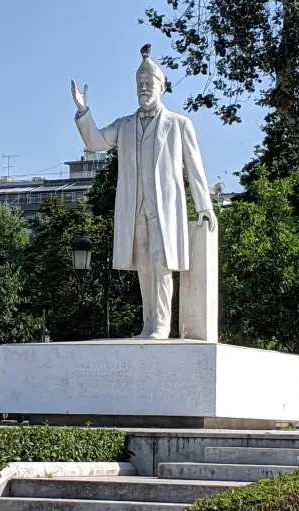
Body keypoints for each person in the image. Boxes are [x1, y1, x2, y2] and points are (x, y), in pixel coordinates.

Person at [71, 44, 216, 339]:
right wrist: (83, 110)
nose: (144, 88)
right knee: (145, 267)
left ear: (161, 87)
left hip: (165, 208)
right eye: (140, 84)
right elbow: (95, 142)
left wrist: (204, 205)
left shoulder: (179, 125)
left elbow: (195, 167)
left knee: (162, 264)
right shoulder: (125, 125)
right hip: (134, 205)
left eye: (149, 83)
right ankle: (149, 324)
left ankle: (162, 325)